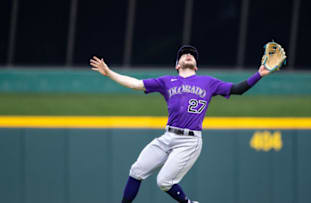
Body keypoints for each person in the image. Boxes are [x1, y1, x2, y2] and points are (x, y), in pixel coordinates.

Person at [89, 45, 272, 203]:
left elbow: (237, 89)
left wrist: (259, 74)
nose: (188, 54)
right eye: (184, 53)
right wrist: (109, 73)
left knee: (164, 182)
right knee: (137, 170)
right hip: (168, 136)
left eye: (191, 54)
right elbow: (136, 84)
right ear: (177, 65)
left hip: (189, 141)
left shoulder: (208, 82)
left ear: (196, 65)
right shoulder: (166, 81)